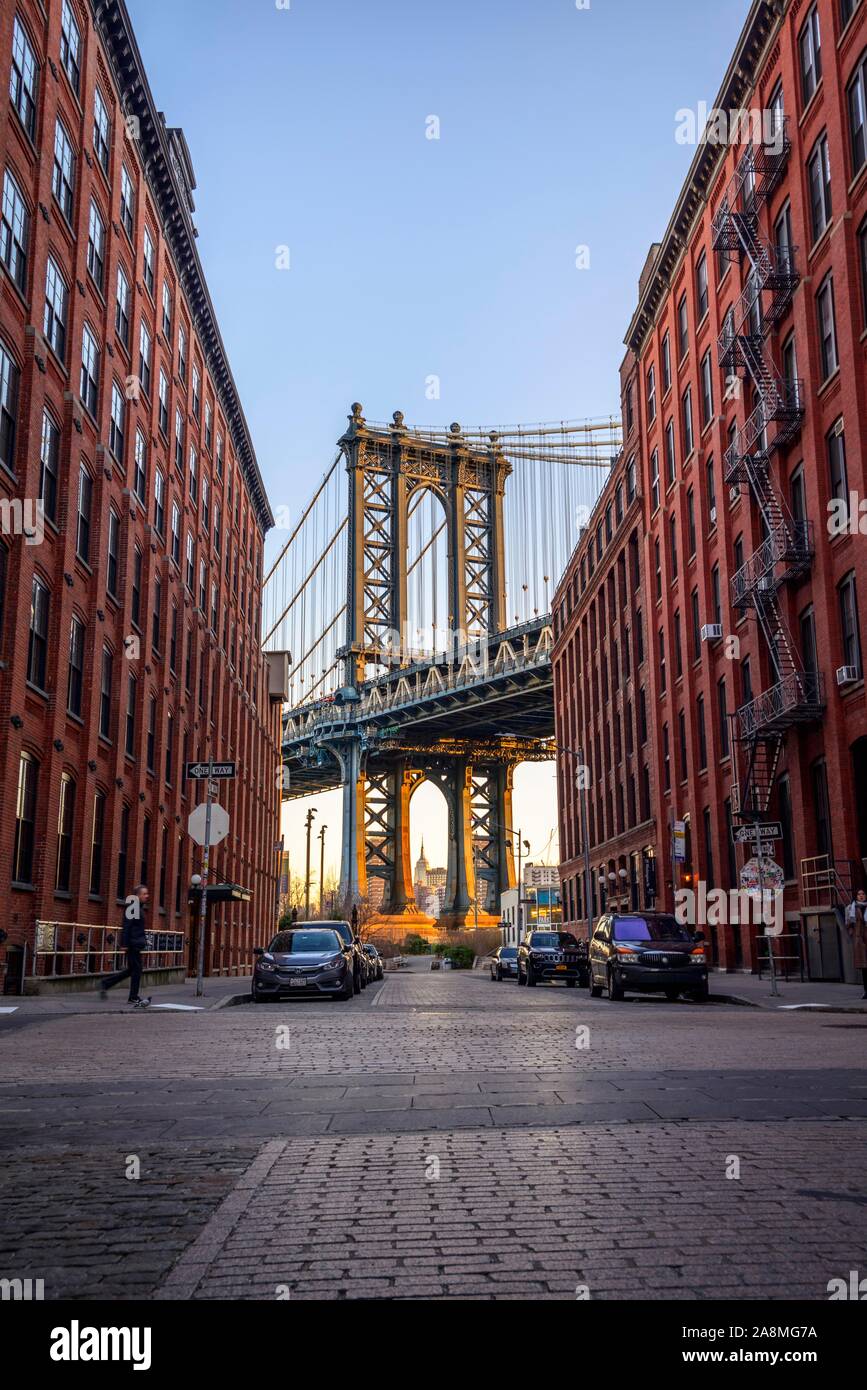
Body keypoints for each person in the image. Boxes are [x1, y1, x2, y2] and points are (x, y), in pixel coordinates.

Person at [99, 884, 152, 1007]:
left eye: (147, 893)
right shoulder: (133, 907)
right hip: (132, 944)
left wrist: (144, 939)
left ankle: (106, 983)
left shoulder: (138, 907)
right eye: (144, 894)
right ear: (137, 895)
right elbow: (127, 926)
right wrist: (124, 944)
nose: (147, 896)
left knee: (132, 970)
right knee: (136, 970)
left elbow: (138, 928)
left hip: (136, 943)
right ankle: (133, 997)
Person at [845, 889, 867, 998]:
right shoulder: (851, 908)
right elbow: (848, 925)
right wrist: (853, 934)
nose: (861, 896)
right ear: (856, 896)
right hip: (859, 940)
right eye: (859, 894)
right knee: (864, 967)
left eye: (863, 894)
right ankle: (866, 991)